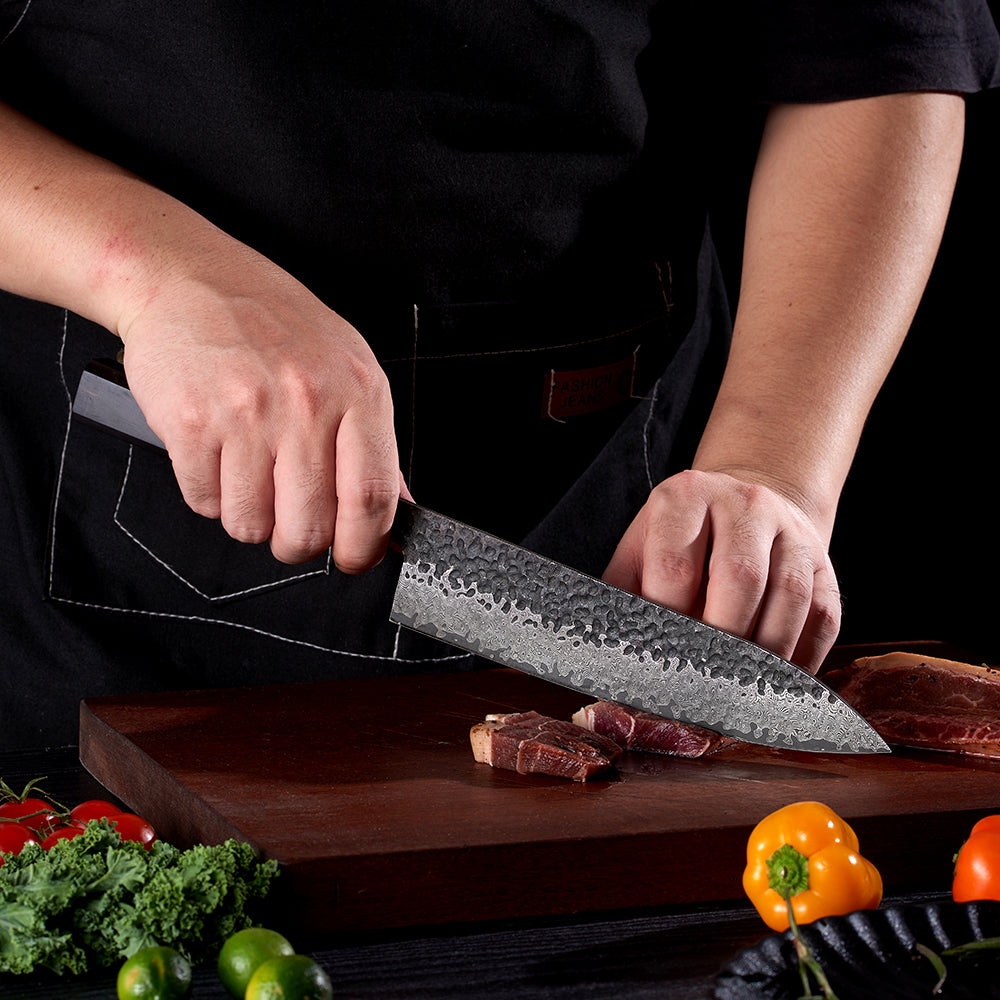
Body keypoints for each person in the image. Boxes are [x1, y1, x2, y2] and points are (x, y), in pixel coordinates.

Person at [0, 2, 997, 749]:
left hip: (614, 486)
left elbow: (876, 48)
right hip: (108, 565)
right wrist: (159, 275)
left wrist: (775, 460)